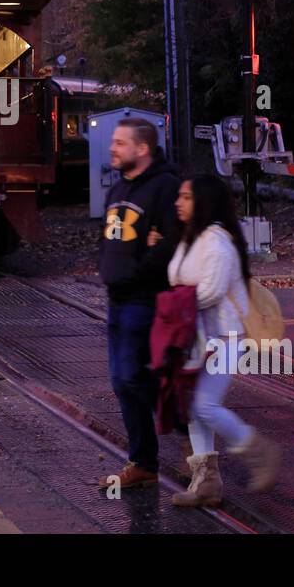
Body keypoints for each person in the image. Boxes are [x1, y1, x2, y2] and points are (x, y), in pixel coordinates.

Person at [157, 174, 280, 506]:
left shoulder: (217, 241)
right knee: (194, 410)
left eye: (185, 197)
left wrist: (174, 302)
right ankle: (206, 483)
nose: (177, 202)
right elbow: (178, 279)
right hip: (196, 337)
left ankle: (258, 451)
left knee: (203, 405)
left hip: (225, 337)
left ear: (203, 202)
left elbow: (208, 291)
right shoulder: (191, 238)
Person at [96, 117, 181, 491]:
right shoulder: (118, 189)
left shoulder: (166, 187)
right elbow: (111, 238)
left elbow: (170, 241)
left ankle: (187, 422)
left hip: (145, 299)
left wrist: (138, 271)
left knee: (134, 378)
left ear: (142, 148)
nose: (111, 148)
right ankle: (144, 463)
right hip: (117, 298)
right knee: (122, 381)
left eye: (119, 143)